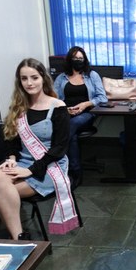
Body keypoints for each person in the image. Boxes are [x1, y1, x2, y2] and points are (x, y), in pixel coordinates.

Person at [0, 58, 79, 240]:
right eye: (24, 79)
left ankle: (18, 239)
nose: (29, 83)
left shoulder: (58, 107)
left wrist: (30, 170)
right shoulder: (19, 107)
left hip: (49, 166)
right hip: (23, 162)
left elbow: (59, 148)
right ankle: (20, 237)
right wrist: (11, 159)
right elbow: (11, 139)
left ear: (43, 79)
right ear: (19, 81)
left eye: (34, 77)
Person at [54, 46, 107, 188]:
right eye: (75, 58)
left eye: (80, 58)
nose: (78, 61)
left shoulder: (92, 75)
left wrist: (85, 104)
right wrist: (66, 109)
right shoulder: (61, 77)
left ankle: (66, 166)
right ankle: (76, 172)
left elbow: (103, 98)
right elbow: (53, 99)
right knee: (72, 135)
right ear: (69, 60)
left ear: (84, 60)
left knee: (69, 126)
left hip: (86, 114)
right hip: (65, 113)